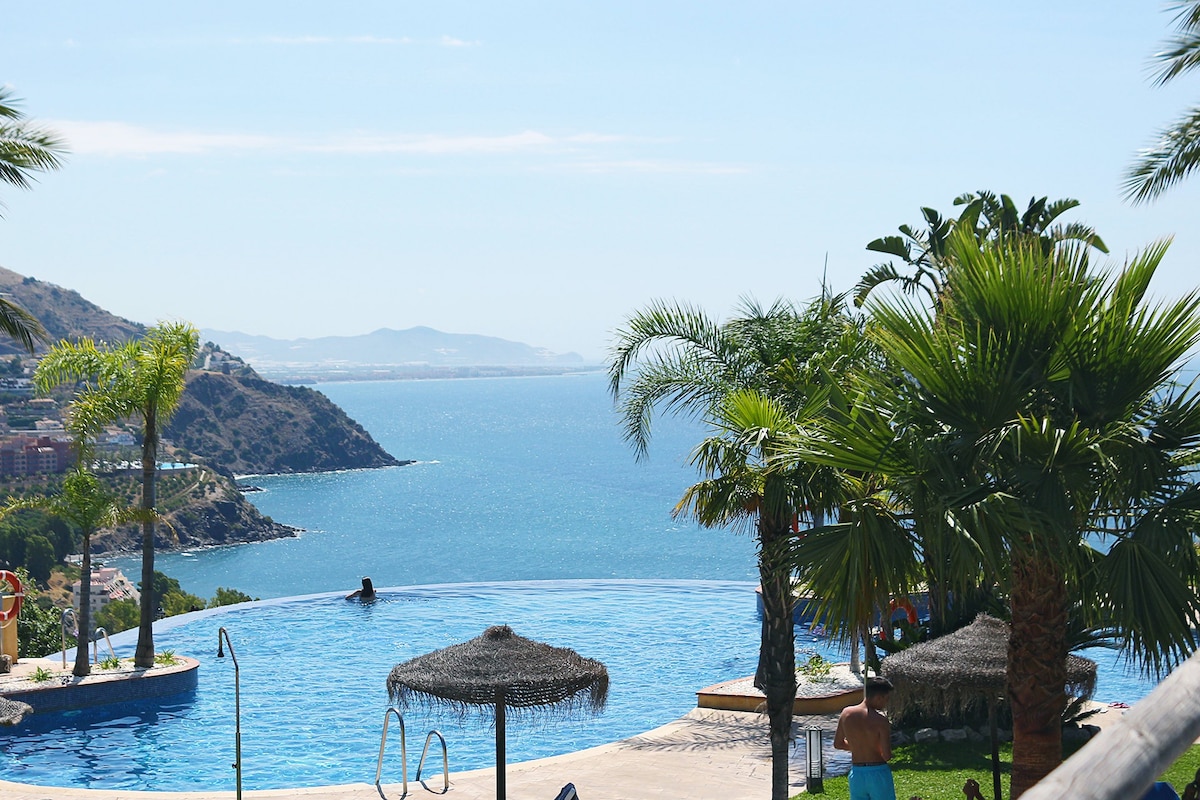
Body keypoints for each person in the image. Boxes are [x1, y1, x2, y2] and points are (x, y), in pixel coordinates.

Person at [834, 676, 896, 800]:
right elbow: (887, 755)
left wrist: (858, 747)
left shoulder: (846, 713)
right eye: (886, 699)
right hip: (877, 772)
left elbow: (838, 744)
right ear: (879, 697)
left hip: (857, 773)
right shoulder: (881, 721)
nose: (886, 703)